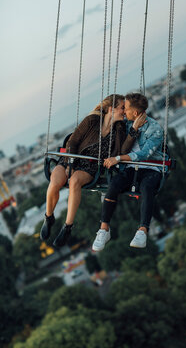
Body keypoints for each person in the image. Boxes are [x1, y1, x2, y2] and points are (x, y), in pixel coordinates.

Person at [40, 94, 127, 247]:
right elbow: (72, 141)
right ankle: (48, 217)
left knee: (74, 182)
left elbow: (119, 151)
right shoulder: (92, 121)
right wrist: (69, 165)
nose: (124, 111)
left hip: (90, 166)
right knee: (55, 181)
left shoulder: (119, 129)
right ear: (111, 109)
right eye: (122, 108)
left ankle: (67, 226)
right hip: (71, 159)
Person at [92, 92, 166, 251]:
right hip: (131, 168)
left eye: (125, 108)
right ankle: (104, 229)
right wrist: (132, 129)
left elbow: (144, 154)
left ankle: (143, 230)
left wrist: (118, 159)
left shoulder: (155, 129)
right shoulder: (125, 125)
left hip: (151, 167)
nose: (123, 111)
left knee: (147, 187)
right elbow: (121, 146)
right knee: (114, 185)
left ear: (136, 113)